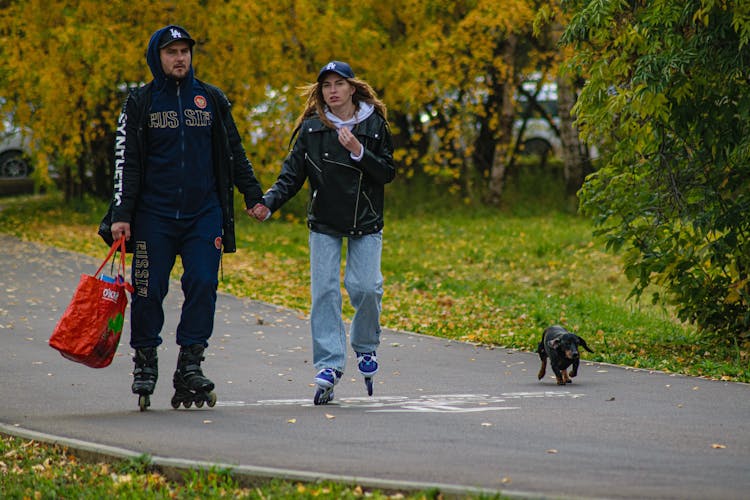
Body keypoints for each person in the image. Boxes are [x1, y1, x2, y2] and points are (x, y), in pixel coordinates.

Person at [109, 25, 266, 411]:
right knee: (148, 290)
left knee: (202, 283)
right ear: (156, 57)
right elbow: (125, 161)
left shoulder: (209, 99)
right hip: (153, 217)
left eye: (184, 51)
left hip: (203, 215)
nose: (180, 58)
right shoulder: (140, 102)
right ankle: (145, 362)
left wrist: (253, 195)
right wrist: (121, 214)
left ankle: (190, 366)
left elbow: (234, 151)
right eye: (171, 52)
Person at [251, 60, 396, 405]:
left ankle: (365, 347)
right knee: (325, 292)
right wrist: (269, 203)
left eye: (338, 84)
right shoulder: (312, 128)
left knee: (366, 287)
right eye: (326, 85)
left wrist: (358, 151)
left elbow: (388, 172)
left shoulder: (373, 124)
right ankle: (329, 365)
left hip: (366, 219)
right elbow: (291, 175)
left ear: (352, 88)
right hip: (325, 221)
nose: (332, 91)